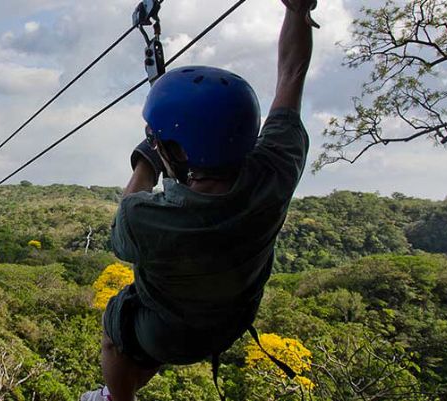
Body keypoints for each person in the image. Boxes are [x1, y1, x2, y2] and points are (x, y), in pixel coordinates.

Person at [81, 1, 315, 400]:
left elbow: (126, 213)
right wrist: (297, 11)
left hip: (170, 336)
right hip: (232, 319)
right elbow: (292, 74)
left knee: (116, 322)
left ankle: (117, 398)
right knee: (147, 330)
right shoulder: (276, 169)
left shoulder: (146, 220)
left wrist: (148, 158)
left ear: (176, 150)